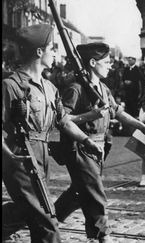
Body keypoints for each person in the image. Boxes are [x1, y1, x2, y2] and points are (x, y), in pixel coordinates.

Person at [2, 24, 103, 243]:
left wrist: (86, 140)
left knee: (26, 211)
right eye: (52, 48)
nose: (55, 53)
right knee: (47, 222)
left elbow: (63, 121)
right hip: (20, 157)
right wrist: (9, 155)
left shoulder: (49, 87)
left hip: (42, 157)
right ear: (39, 52)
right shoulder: (10, 86)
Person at [53, 43, 145, 243]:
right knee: (96, 195)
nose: (110, 66)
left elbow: (117, 111)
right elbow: (61, 120)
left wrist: (140, 126)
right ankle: (104, 237)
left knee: (78, 193)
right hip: (81, 149)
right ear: (92, 63)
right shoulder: (76, 89)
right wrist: (89, 115)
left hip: (98, 149)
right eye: (106, 62)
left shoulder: (102, 88)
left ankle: (42, 221)